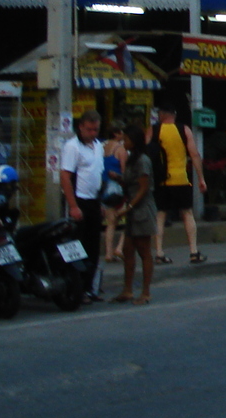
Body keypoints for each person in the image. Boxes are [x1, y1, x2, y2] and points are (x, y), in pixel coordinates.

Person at [149, 102, 207, 264]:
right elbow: (194, 154)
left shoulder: (153, 130)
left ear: (161, 115)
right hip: (181, 178)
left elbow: (146, 153)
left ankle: (159, 253)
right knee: (187, 213)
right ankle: (193, 252)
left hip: (161, 180)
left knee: (160, 215)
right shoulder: (184, 130)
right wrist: (201, 178)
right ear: (174, 115)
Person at [60, 110, 105, 302]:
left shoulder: (98, 146)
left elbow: (98, 174)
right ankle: (76, 286)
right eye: (89, 130)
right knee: (79, 245)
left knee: (93, 246)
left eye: (96, 130)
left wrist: (100, 202)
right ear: (81, 127)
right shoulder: (72, 147)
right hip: (79, 201)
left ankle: (89, 287)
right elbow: (65, 176)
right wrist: (73, 205)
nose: (93, 133)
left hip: (94, 201)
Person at [113, 128, 156, 304]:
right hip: (132, 208)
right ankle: (127, 289)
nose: (124, 142)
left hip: (141, 209)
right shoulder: (131, 159)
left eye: (127, 139)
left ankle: (145, 292)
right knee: (128, 249)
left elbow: (143, 188)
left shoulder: (142, 161)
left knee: (144, 250)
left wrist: (128, 207)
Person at [100, 121, 128, 264]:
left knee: (110, 223)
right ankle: (119, 247)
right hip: (117, 187)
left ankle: (108, 253)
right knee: (130, 216)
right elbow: (124, 172)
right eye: (121, 133)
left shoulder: (102, 147)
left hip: (103, 187)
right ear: (117, 134)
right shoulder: (120, 149)